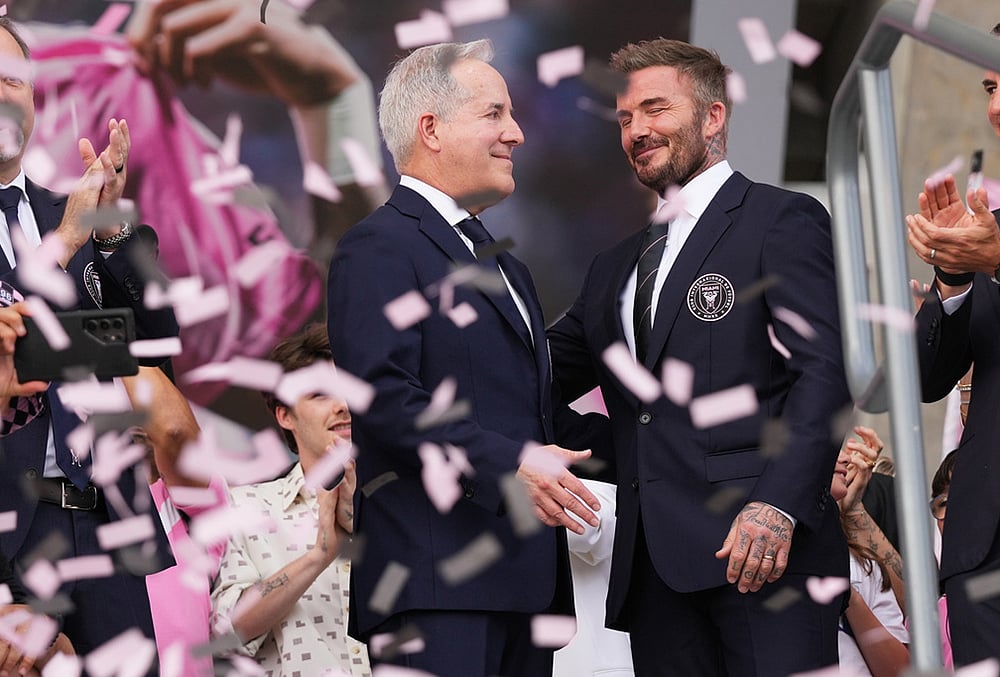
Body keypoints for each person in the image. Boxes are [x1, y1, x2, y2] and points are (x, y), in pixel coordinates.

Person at [546, 38, 851, 675]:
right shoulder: (612, 269)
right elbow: (534, 376)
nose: (636, 131)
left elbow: (821, 373)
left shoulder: (780, 220)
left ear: (713, 116)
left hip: (765, 554)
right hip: (653, 572)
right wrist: (624, 453)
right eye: (626, 119)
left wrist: (779, 506)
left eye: (656, 109)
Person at [326, 39, 599, 677]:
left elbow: (539, 419)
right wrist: (512, 462)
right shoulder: (378, 247)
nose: (518, 133)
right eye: (494, 114)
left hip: (524, 589)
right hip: (433, 586)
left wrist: (702, 448)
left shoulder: (508, 266)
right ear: (432, 129)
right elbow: (385, 398)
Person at [0, 15, 179, 658]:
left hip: (105, 523)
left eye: (12, 79)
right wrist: (67, 243)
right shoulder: (65, 227)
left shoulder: (79, 208)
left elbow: (158, 350)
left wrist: (109, 237)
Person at [905, 21, 1000, 666]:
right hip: (984, 548)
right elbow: (924, 379)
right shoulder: (985, 228)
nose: (995, 105)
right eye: (991, 85)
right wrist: (955, 276)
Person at [210, 323, 369, 676]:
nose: (343, 406)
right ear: (285, 415)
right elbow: (225, 633)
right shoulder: (245, 507)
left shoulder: (409, 504)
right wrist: (319, 555)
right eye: (319, 394)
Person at [832, 429, 909, 677]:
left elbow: (900, 669)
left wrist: (849, 597)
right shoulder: (759, 551)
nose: (846, 458)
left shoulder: (861, 563)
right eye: (831, 449)